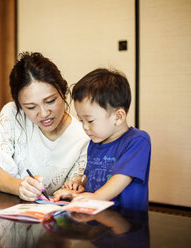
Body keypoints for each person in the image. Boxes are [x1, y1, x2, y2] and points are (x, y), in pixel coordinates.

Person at [0, 52, 89, 201]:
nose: (44, 113)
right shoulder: (13, 114)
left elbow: (72, 190)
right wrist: (19, 186)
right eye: (31, 107)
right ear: (20, 105)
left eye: (50, 101)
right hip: (6, 210)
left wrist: (71, 192)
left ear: (64, 93)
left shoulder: (83, 137)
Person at [54, 68, 151, 211]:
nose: (85, 127)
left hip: (126, 222)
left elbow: (122, 177)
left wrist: (97, 197)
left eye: (90, 121)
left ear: (118, 117)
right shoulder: (95, 143)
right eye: (81, 121)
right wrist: (79, 188)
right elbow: (90, 176)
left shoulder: (137, 141)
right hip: (96, 217)